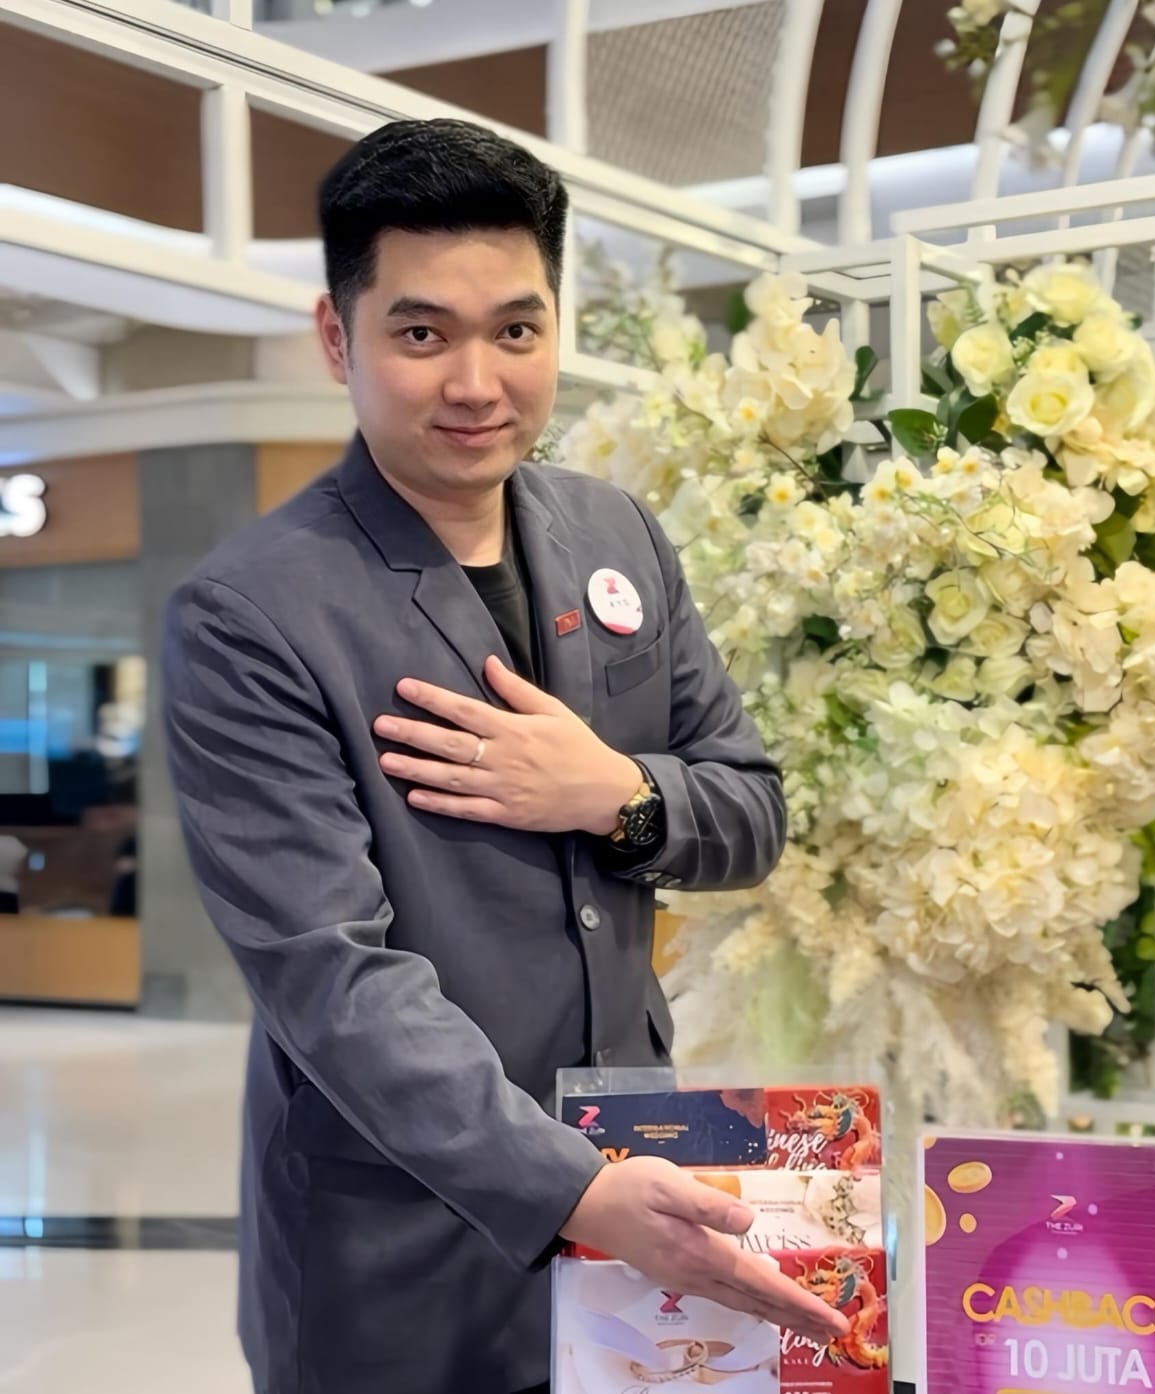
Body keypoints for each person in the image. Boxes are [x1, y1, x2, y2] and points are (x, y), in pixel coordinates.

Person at [162, 118, 844, 1394]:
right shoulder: (251, 611)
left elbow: (749, 808)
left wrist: (618, 794)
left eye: (516, 330)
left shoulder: (613, 532)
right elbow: (331, 979)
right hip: (396, 1246)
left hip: (637, 1194)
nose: (477, 382)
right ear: (338, 338)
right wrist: (573, 1188)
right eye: (422, 334)